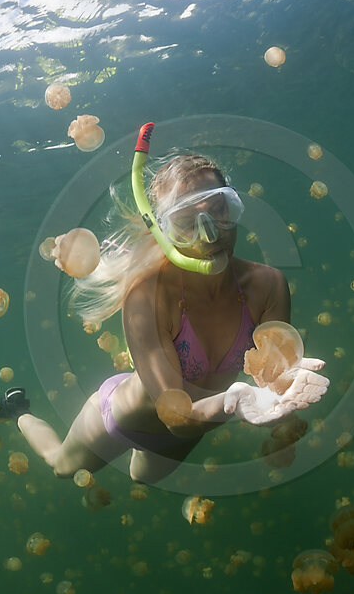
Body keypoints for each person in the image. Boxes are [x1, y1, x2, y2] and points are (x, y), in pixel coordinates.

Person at [16, 125, 328, 484]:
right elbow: (176, 418)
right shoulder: (147, 298)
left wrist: (282, 386)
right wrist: (234, 401)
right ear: (162, 232)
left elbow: (274, 384)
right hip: (128, 418)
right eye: (185, 223)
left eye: (220, 211)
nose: (210, 234)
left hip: (198, 425)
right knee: (61, 467)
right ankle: (16, 411)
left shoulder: (269, 286)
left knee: (141, 478)